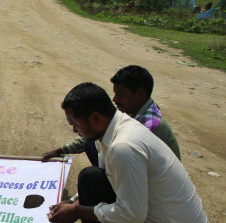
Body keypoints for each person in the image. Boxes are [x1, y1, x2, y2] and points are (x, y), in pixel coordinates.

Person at [47, 83, 210, 223]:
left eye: (75, 124)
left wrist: (77, 212)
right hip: (150, 217)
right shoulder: (113, 128)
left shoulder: (124, 147)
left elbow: (133, 213)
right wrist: (76, 206)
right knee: (90, 176)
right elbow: (112, 185)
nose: (74, 130)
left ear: (95, 118)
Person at [42, 65, 181, 165]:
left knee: (91, 173)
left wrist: (76, 203)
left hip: (152, 188)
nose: (114, 100)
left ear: (140, 93)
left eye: (120, 94)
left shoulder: (146, 127)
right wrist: (61, 150)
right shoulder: (136, 112)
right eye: (114, 94)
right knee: (92, 141)